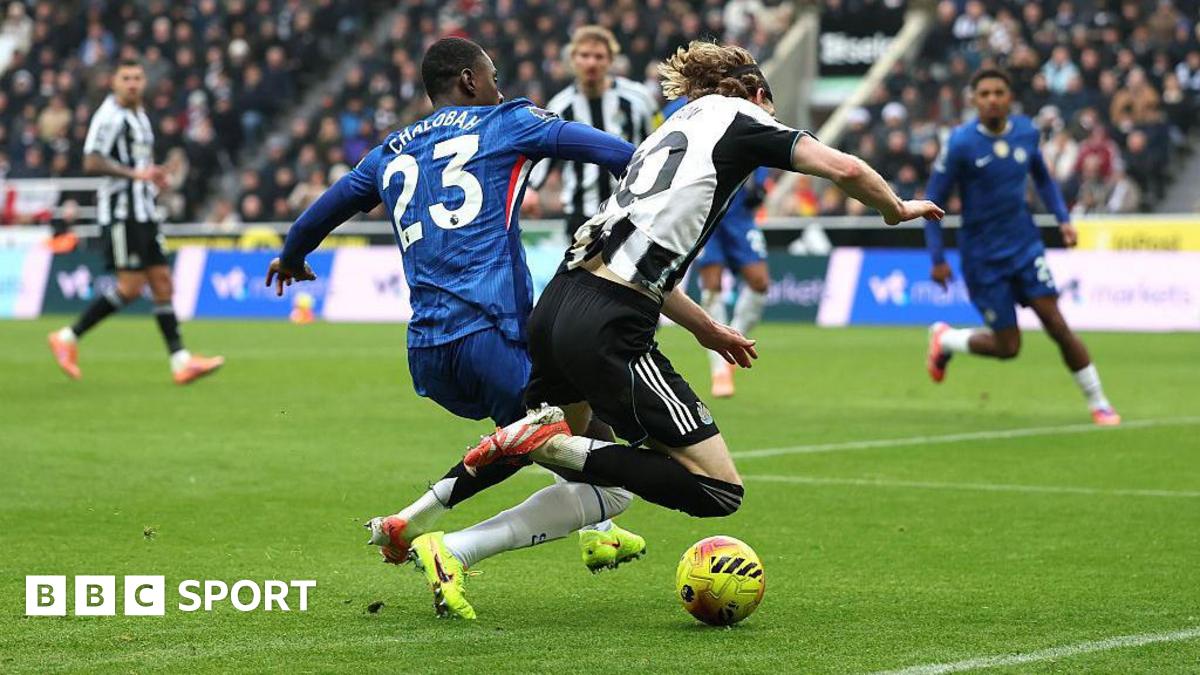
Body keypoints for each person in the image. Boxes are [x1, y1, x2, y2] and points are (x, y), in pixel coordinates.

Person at [408, 41, 942, 619]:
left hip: (559, 304)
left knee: (600, 483)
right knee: (718, 491)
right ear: (758, 95)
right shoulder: (745, 118)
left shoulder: (667, 132)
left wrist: (706, 327)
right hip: (611, 324)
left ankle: (454, 546)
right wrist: (896, 208)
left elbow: (638, 254)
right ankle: (544, 441)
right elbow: (847, 168)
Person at [265, 38, 645, 607]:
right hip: (492, 331)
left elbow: (326, 207)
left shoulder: (390, 150)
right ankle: (424, 530)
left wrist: (293, 256)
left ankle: (597, 536)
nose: (499, 85)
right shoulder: (507, 122)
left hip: (428, 351)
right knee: (600, 470)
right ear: (469, 80)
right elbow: (614, 152)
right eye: (492, 75)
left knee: (568, 427)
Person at [922, 68, 1120, 426]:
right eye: (984, 94)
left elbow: (1042, 178)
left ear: (1009, 98)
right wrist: (937, 259)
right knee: (1008, 348)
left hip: (1025, 248)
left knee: (1057, 324)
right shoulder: (961, 143)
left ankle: (1100, 402)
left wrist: (1063, 219)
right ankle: (946, 339)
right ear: (973, 100)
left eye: (999, 92)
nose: (992, 99)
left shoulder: (1027, 132)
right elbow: (933, 199)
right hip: (982, 259)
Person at [47, 58, 223, 385]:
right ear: (113, 82)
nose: (132, 84)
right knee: (130, 287)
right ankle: (67, 337)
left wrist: (152, 175)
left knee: (161, 282)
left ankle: (181, 362)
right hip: (121, 212)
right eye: (125, 78)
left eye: (137, 78)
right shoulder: (110, 115)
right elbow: (91, 161)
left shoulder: (140, 115)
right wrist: (135, 174)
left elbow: (137, 161)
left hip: (144, 210)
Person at [528, 25, 661, 238]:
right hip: (581, 213)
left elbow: (660, 143)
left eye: (599, 56)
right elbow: (544, 155)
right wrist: (531, 189)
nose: (591, 62)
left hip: (633, 209)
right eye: (585, 55)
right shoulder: (560, 106)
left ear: (610, 59)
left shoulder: (639, 98)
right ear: (573, 59)